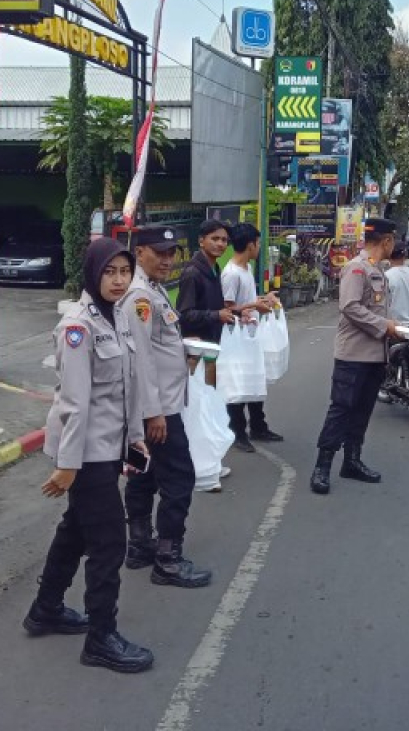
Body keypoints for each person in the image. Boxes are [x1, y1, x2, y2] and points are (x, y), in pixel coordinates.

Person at [25, 238, 153, 674]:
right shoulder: (78, 326)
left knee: (76, 531)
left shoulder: (115, 317)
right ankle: (101, 638)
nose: (118, 280)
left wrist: (134, 438)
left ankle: (46, 608)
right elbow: (75, 403)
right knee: (109, 544)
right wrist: (67, 466)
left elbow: (125, 386)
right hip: (85, 454)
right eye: (109, 272)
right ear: (93, 273)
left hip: (105, 446)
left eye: (124, 272)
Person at [120, 226, 212, 589]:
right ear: (139, 252)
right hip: (157, 409)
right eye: (159, 253)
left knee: (144, 473)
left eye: (171, 252)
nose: (167, 260)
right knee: (179, 478)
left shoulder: (153, 290)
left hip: (158, 403)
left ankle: (140, 545)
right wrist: (153, 411)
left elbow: (158, 345)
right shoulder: (140, 296)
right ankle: (168, 560)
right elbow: (139, 357)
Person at [310, 218, 401, 495]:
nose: (393, 245)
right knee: (341, 409)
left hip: (375, 355)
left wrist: (392, 326)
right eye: (393, 240)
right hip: (353, 355)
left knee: (363, 411)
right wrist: (384, 326)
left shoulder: (377, 270)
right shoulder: (356, 268)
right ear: (386, 241)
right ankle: (322, 466)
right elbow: (349, 306)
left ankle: (352, 461)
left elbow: (377, 310)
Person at [221, 222, 283, 451]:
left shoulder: (246, 269)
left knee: (256, 381)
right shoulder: (231, 274)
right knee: (238, 386)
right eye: (258, 244)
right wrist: (254, 305)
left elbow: (246, 301)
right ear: (250, 245)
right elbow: (228, 309)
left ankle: (258, 426)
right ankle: (238, 433)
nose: (259, 248)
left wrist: (263, 300)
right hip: (236, 339)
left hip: (251, 334)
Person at [176, 219, 236, 344]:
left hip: (213, 342)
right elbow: (184, 315)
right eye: (215, 239)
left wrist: (239, 313)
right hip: (197, 348)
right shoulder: (192, 273)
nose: (220, 244)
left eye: (224, 240)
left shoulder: (215, 268)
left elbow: (213, 306)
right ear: (201, 241)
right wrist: (217, 315)